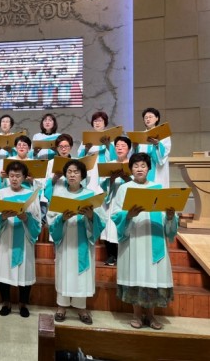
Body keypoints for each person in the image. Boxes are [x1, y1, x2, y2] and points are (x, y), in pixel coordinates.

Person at [111, 152, 178, 330]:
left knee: (153, 277)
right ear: (131, 169)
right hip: (133, 238)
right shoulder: (124, 188)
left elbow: (166, 215)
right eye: (135, 166)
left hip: (154, 238)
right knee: (137, 275)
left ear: (149, 168)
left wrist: (170, 217)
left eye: (143, 166)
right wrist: (128, 215)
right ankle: (136, 314)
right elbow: (116, 214)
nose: (139, 169)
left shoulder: (158, 188)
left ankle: (151, 315)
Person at [46, 160, 105, 325]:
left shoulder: (90, 195)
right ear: (65, 174)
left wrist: (91, 216)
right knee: (64, 271)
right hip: (65, 240)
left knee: (82, 273)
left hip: (83, 241)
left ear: (82, 175)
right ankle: (62, 306)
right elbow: (50, 219)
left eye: (76, 172)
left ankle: (81, 308)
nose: (72, 175)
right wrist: (62, 219)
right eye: (69, 171)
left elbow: (102, 220)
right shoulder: (59, 195)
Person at [0, 161, 41, 318]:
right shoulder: (1, 194)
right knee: (4, 270)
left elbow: (37, 219)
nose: (14, 179)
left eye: (18, 176)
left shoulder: (31, 195)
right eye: (11, 175)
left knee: (25, 271)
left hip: (25, 237)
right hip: (6, 236)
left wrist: (26, 218)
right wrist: (2, 217)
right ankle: (6, 302)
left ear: (24, 177)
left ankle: (23, 303)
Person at [100, 136, 132, 266]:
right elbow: (103, 185)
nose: (120, 148)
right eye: (117, 146)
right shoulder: (110, 164)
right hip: (113, 199)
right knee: (110, 226)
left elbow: (137, 184)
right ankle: (112, 255)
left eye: (123, 146)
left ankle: (125, 255)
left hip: (127, 200)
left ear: (129, 149)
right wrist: (112, 179)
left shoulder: (133, 165)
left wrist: (126, 178)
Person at [133, 108, 171, 187]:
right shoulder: (141, 136)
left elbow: (165, 152)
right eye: (146, 118)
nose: (148, 119)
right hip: (143, 169)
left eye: (150, 117)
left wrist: (157, 144)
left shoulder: (164, 134)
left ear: (157, 118)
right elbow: (136, 156)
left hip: (157, 170)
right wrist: (135, 148)